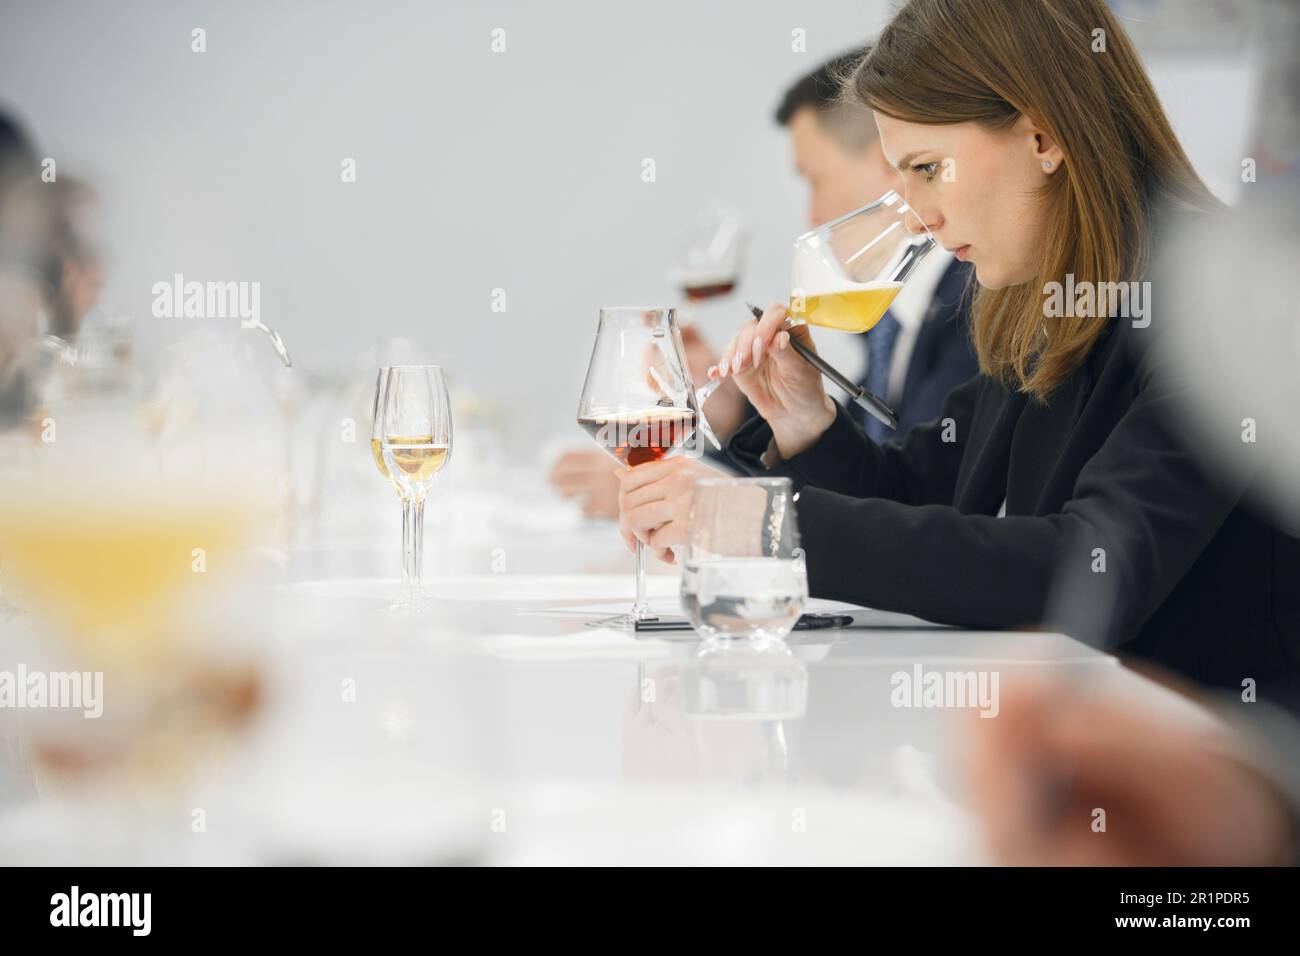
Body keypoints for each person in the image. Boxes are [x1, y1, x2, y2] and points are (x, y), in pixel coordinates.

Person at [615, 0, 1300, 699]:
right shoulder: (1046, 295)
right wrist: (805, 423)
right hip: (1101, 739)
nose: (915, 212)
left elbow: (1091, 564)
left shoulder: (1211, 300)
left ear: (1042, 136)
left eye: (927, 168)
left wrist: (761, 522)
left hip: (1229, 769)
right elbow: (930, 496)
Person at [551, 46, 977, 517]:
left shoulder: (978, 307)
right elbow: (881, 483)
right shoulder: (897, 322)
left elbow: (923, 518)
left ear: (890, 159)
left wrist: (721, 512)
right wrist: (735, 414)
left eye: (814, 179)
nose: (811, 215)